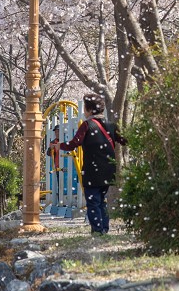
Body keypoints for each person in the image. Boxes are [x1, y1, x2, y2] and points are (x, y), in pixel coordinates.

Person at [52, 93, 127, 236]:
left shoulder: (87, 125)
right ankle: (104, 228)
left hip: (92, 169)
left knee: (93, 200)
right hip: (108, 169)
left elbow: (74, 143)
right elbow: (123, 140)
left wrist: (59, 145)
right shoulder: (111, 125)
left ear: (88, 109)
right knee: (101, 200)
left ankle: (98, 230)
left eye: (85, 107)